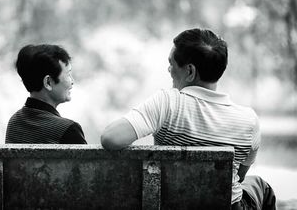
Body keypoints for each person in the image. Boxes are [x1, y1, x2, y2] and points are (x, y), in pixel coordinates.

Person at [101, 28, 276, 209]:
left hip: (173, 206)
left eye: (172, 63)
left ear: (190, 71)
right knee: (261, 186)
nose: (169, 69)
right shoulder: (249, 120)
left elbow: (110, 138)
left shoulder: (167, 103)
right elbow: (239, 175)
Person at [6, 44, 87, 144]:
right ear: (48, 82)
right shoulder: (68, 130)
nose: (72, 81)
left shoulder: (14, 123)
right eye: (68, 74)